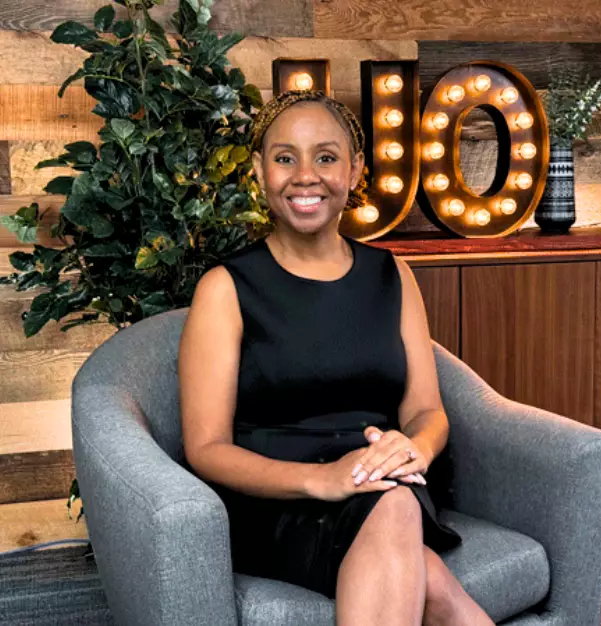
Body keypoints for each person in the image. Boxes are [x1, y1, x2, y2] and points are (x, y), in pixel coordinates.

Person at [178, 90, 495, 625]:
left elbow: (427, 410)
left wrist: (411, 448)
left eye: (325, 157)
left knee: (397, 510)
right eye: (285, 158)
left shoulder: (391, 275)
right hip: (276, 502)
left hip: (379, 483)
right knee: (429, 577)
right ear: (259, 172)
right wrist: (319, 480)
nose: (306, 176)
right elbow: (206, 448)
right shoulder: (227, 287)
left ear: (354, 171)